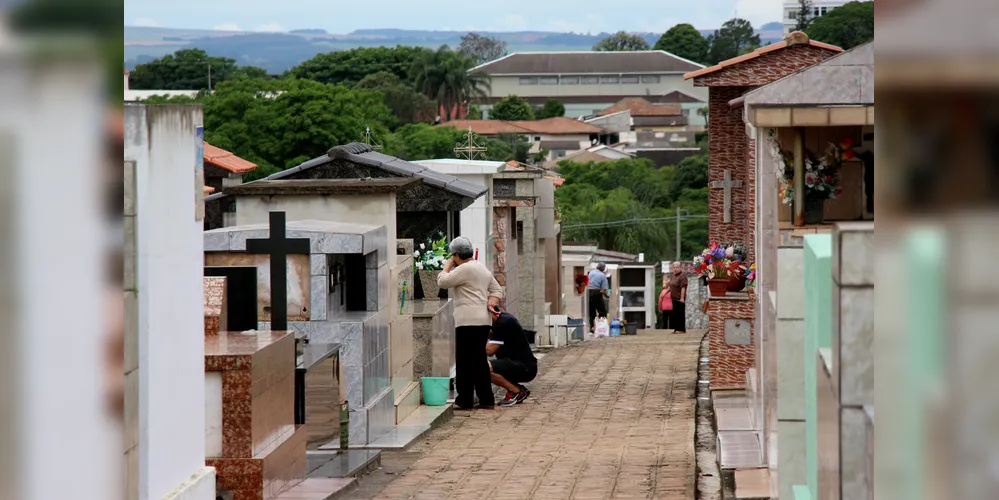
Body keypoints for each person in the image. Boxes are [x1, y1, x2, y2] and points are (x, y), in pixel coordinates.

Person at [438, 236, 504, 410]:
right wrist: (491, 302)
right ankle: (485, 398)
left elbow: (442, 282)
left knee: (465, 361)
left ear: (457, 255)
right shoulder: (481, 268)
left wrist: (448, 266)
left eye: (453, 256)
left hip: (467, 321)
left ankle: (465, 398)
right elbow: (497, 289)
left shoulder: (464, 269)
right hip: (482, 320)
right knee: (479, 360)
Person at [487, 308, 537, 407]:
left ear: (494, 313)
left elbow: (489, 351)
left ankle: (516, 391)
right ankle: (518, 390)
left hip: (524, 367)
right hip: (517, 363)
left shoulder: (503, 323)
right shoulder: (504, 318)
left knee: (483, 368)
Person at [586, 262, 610, 333]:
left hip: (588, 293)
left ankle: (591, 328)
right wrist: (607, 296)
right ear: (603, 268)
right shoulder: (602, 276)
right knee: (602, 311)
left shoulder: (591, 273)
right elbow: (603, 290)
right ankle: (601, 328)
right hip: (596, 293)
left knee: (591, 312)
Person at [667, 262, 688, 333]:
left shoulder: (682, 276)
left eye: (677, 267)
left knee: (680, 314)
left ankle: (681, 329)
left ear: (680, 268)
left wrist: (682, 298)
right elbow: (671, 286)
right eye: (674, 268)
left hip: (679, 298)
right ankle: (676, 329)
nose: (675, 269)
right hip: (673, 298)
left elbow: (683, 287)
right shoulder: (673, 276)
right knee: (675, 314)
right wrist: (664, 293)